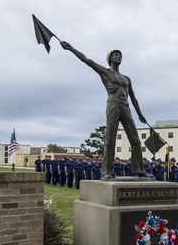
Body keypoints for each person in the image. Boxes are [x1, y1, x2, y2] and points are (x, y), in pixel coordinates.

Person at [60, 40, 150, 179]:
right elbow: (86, 60)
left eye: (120, 55)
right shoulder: (105, 72)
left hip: (126, 107)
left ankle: (139, 170)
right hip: (113, 105)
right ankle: (107, 170)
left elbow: (133, 98)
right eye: (115, 55)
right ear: (110, 59)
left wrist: (140, 114)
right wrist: (71, 48)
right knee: (110, 140)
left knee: (136, 141)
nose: (119, 57)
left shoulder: (126, 78)